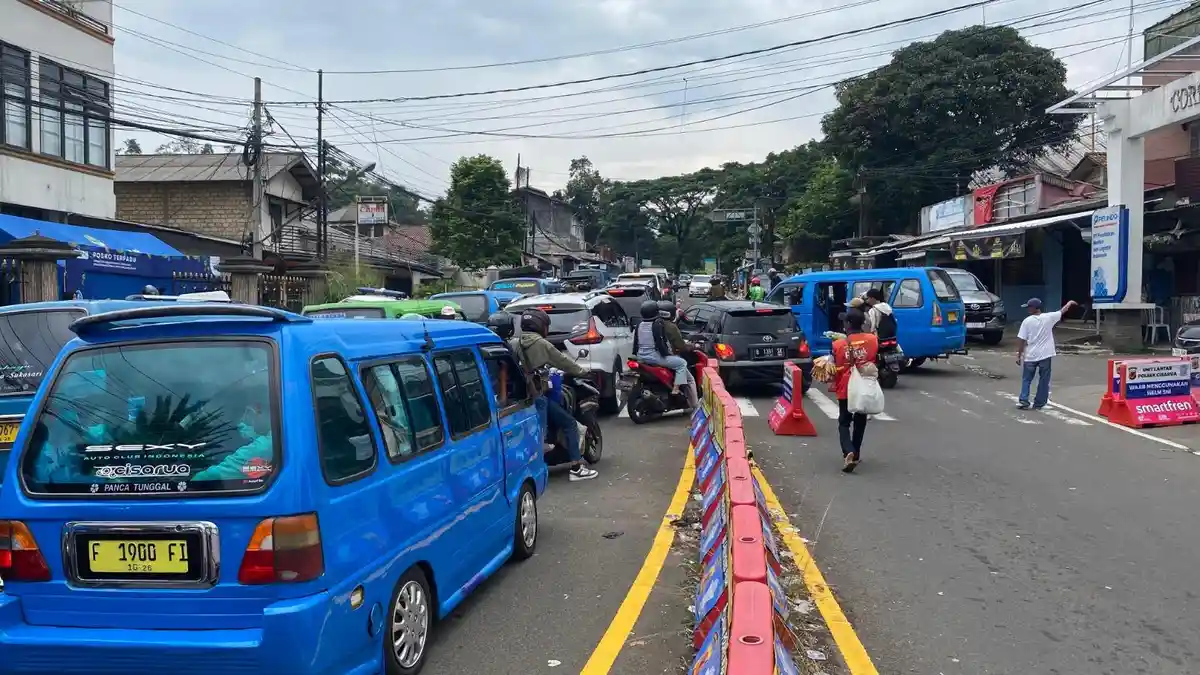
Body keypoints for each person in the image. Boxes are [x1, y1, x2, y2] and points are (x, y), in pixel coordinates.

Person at [510, 308, 598, 481]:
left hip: (522, 397)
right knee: (569, 423)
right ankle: (576, 468)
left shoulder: (515, 342)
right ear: (540, 325)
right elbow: (563, 361)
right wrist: (583, 372)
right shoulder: (542, 344)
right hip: (537, 394)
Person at [831, 309, 878, 473]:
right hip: (864, 386)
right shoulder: (873, 340)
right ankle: (856, 452)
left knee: (844, 422)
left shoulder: (838, 344)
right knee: (860, 420)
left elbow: (835, 365)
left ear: (848, 324)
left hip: (846, 387)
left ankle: (848, 451)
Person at [1015, 297, 1078, 410]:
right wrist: (1069, 303)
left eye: (1029, 307)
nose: (1028, 309)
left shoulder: (1027, 321)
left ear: (1035, 308)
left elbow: (1021, 340)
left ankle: (1024, 400)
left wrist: (1019, 355)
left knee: (1027, 379)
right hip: (1045, 354)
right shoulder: (1049, 317)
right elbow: (1062, 311)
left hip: (1031, 355)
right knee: (1044, 379)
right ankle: (1039, 403)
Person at [634, 300, 696, 408]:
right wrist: (667, 354)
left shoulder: (640, 324)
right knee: (681, 363)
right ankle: (676, 389)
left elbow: (635, 342)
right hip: (654, 357)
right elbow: (661, 342)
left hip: (640, 356)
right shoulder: (658, 324)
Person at [657, 300, 699, 408]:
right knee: (690, 379)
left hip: (651, 356)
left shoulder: (653, 324)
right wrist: (692, 346)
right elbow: (680, 346)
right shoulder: (671, 327)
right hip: (667, 357)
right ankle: (695, 406)